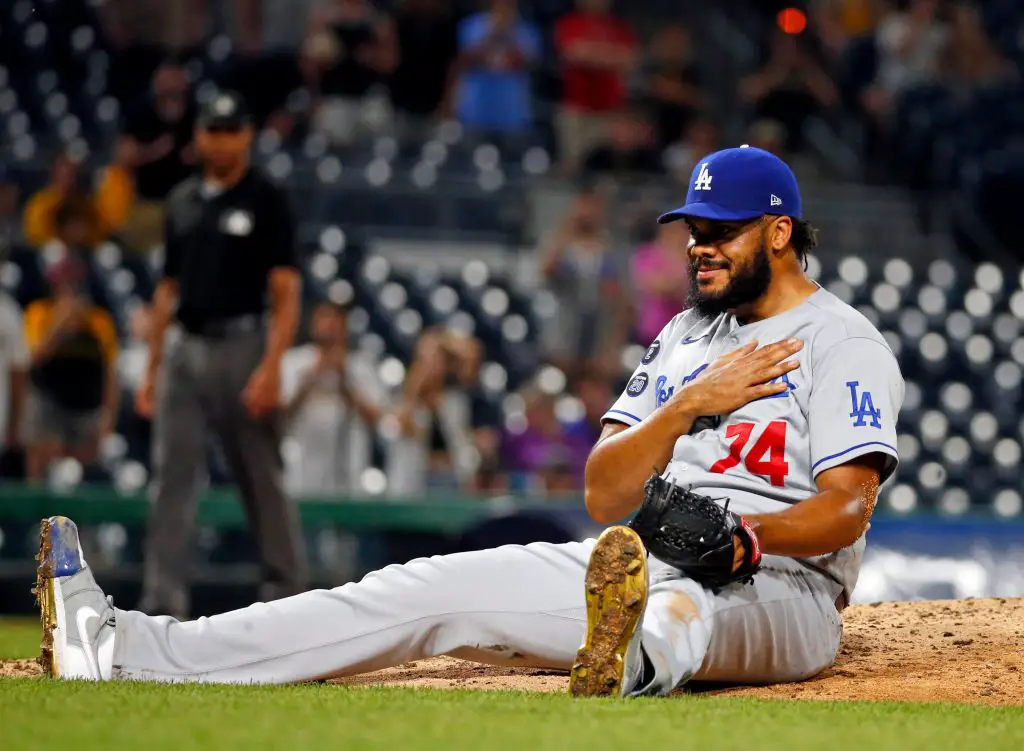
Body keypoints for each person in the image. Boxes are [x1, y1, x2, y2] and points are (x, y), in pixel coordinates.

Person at [36, 147, 904, 701]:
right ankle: (120, 646)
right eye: (691, 229)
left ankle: (631, 662)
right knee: (417, 589)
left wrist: (744, 538)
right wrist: (686, 407)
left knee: (683, 610)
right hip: (637, 559)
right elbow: (606, 489)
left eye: (720, 230)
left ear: (781, 231)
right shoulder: (686, 338)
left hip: (781, 589)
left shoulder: (842, 340)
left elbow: (845, 511)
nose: (697, 245)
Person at [132, 90, 306, 619]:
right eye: (213, 129)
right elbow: (166, 291)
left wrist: (274, 364)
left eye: (232, 129)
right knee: (172, 478)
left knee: (260, 474)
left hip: (244, 344)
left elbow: (286, 289)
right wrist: (152, 368)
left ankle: (286, 596)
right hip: (186, 346)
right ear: (199, 135)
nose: (222, 139)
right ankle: (163, 600)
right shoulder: (183, 200)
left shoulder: (266, 198)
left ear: (247, 134)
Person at [22, 255, 119, 481]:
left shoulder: (99, 321)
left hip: (86, 402)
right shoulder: (39, 313)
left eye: (75, 285)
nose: (69, 291)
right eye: (64, 284)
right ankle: (37, 513)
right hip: (48, 400)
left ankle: (83, 514)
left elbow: (111, 373)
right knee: (41, 452)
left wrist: (109, 417)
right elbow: (34, 359)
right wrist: (59, 324)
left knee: (87, 460)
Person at [280, 301, 386, 497]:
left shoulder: (361, 366)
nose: (329, 324)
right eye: (324, 317)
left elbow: (376, 420)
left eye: (335, 318)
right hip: (302, 472)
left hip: (349, 474)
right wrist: (310, 380)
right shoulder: (293, 361)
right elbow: (279, 417)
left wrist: (345, 382)